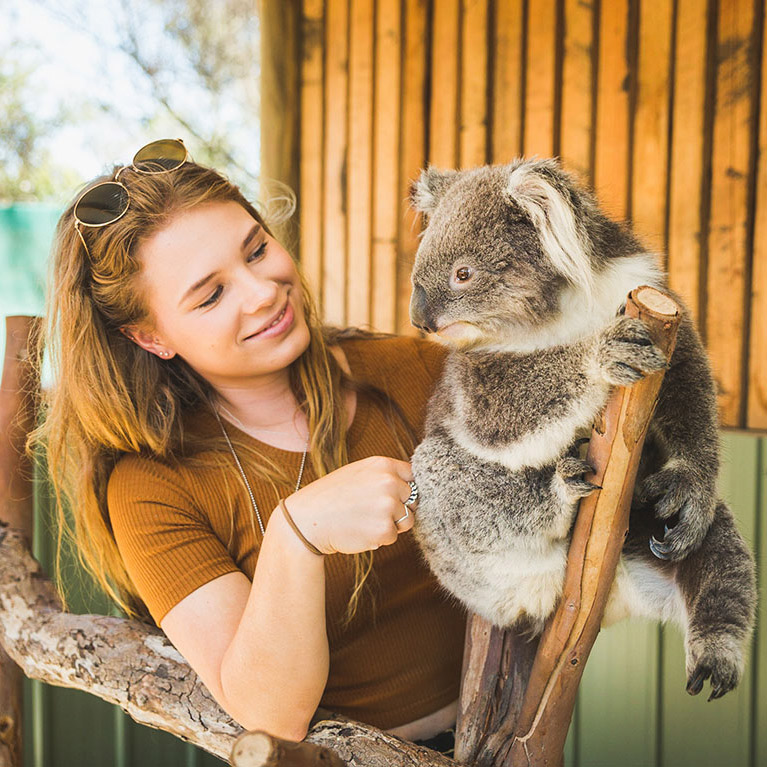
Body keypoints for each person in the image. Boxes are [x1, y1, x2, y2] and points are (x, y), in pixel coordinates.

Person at [31, 139, 466, 754]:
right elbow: (272, 714)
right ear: (151, 337)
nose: (263, 291)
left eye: (257, 250)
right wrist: (295, 535)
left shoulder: (415, 371)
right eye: (210, 295)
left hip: (514, 734)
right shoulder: (152, 487)